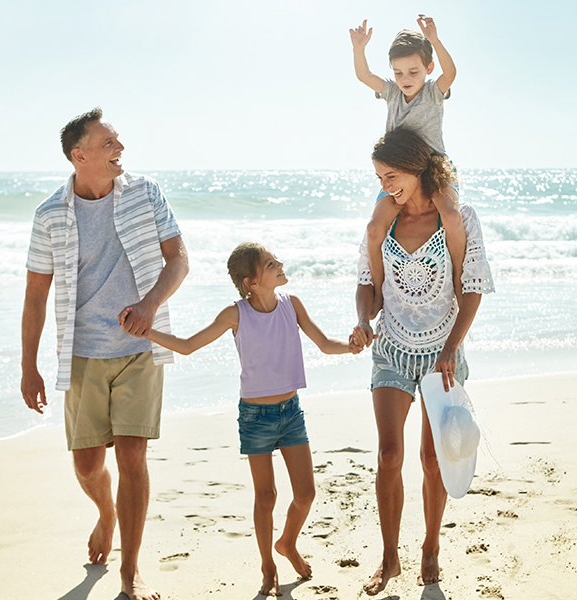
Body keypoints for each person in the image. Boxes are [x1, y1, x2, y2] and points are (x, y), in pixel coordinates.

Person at [120, 242, 362, 596]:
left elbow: (325, 344)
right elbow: (188, 345)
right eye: (270, 263)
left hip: (290, 413)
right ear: (252, 282)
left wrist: (351, 346)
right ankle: (268, 565)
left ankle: (288, 543)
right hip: (256, 418)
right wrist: (146, 331)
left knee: (306, 494)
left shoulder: (291, 305)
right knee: (266, 497)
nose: (280, 264)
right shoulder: (236, 315)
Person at [21, 107, 189, 600]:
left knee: (134, 455)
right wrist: (28, 366)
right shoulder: (50, 214)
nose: (121, 149)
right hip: (82, 352)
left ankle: (130, 571)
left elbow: (178, 258)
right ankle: (106, 512)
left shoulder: (145, 193)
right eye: (110, 142)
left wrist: (151, 305)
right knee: (88, 465)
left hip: (140, 344)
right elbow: (35, 295)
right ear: (81, 155)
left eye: (119, 141)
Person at [349, 127, 494, 595]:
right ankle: (390, 556)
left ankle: (430, 546)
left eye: (392, 175)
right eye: (378, 177)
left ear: (417, 167)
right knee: (389, 456)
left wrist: (452, 347)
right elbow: (367, 285)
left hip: (442, 354)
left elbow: (470, 288)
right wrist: (363, 321)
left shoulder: (458, 217)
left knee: (433, 458)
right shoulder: (381, 225)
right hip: (391, 347)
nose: (385, 185)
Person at [349, 15, 467, 315]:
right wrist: (359, 48)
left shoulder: (432, 93)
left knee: (451, 217)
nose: (405, 78)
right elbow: (364, 76)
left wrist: (436, 41)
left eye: (413, 71)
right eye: (398, 72)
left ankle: (458, 282)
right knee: (375, 228)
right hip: (399, 173)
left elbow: (450, 73)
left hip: (433, 169)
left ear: (428, 69)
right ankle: (377, 292)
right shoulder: (391, 92)